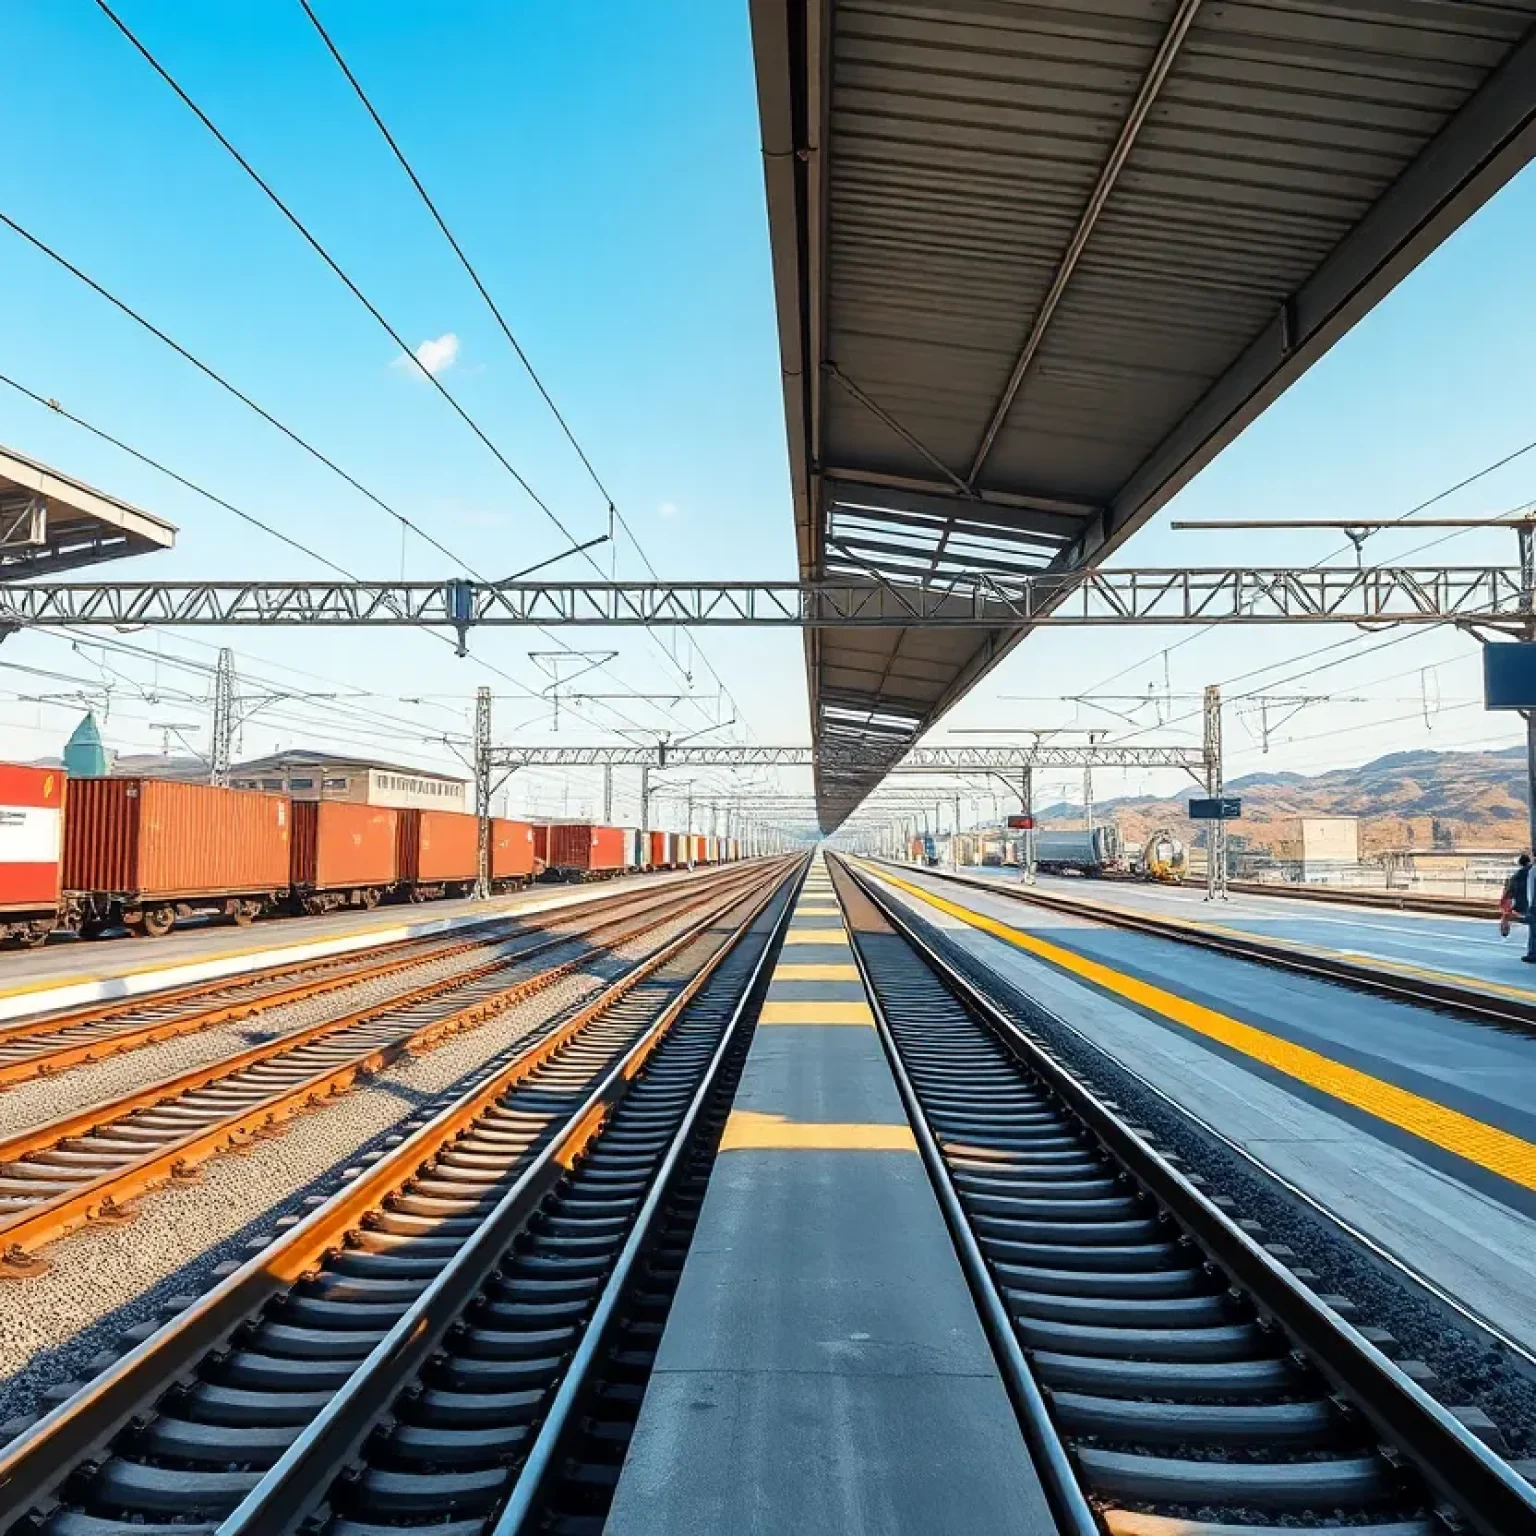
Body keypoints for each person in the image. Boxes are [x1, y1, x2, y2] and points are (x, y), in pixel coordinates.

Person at [1500, 852, 1529, 940]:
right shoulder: (1531, 873)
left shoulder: (1514, 878)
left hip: (1521, 908)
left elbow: (1507, 897)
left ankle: (1504, 930)